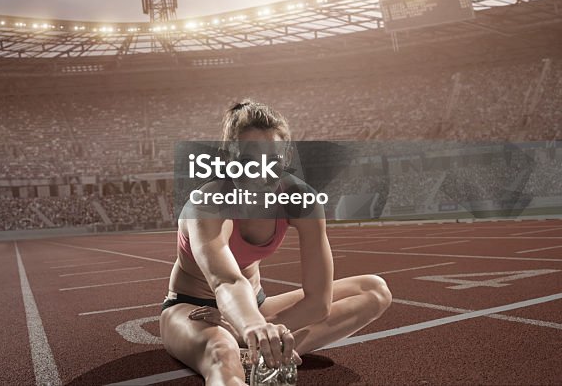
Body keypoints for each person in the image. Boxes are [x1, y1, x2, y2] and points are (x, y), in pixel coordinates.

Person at [159, 99, 392, 385]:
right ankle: (247, 355)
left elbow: (319, 302)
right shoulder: (207, 204)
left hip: (254, 308)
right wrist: (252, 326)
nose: (261, 175)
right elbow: (226, 281)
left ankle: (263, 355)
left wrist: (249, 326)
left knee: (375, 290)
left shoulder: (301, 200)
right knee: (222, 353)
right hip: (193, 309)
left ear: (288, 155)